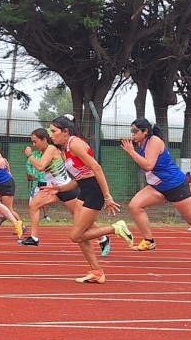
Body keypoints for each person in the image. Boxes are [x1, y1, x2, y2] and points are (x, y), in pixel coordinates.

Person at [120, 118, 191, 269]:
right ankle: (149, 241)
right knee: (135, 206)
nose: (133, 134)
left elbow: (149, 165)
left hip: (175, 186)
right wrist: (134, 151)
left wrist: (131, 152)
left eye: (136, 131)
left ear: (145, 131)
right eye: (132, 131)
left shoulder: (154, 141)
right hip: (158, 186)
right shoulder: (142, 143)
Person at [44, 115, 134, 284]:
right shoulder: (66, 148)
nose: (51, 135)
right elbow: (79, 178)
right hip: (84, 189)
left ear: (65, 132)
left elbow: (96, 168)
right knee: (82, 235)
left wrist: (107, 196)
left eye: (54, 131)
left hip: (94, 190)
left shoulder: (75, 143)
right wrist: (59, 189)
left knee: (76, 236)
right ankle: (96, 271)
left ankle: (115, 228)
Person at [20, 128, 111, 258]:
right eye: (32, 143)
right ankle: (34, 238)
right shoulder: (46, 151)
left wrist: (29, 155)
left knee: (83, 220)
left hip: (66, 188)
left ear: (44, 140)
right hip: (54, 189)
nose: (34, 145)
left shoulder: (51, 149)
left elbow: (40, 167)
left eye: (35, 142)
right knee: (34, 205)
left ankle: (103, 238)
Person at [26, 149, 51, 222]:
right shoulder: (33, 154)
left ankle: (46, 216)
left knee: (45, 198)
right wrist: (31, 174)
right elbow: (28, 165)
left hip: (46, 180)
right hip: (36, 181)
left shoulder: (49, 153)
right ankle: (35, 216)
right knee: (33, 199)